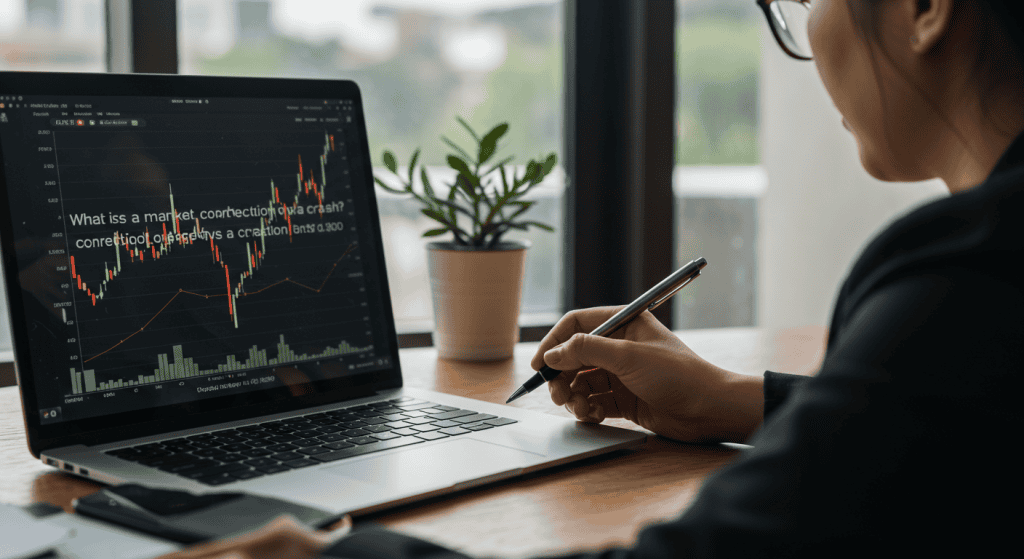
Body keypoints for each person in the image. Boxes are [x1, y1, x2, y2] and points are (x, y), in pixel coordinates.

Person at [158, 0, 1024, 557]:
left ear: (923, 9)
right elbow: (961, 422)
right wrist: (730, 396)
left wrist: (336, 555)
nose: (807, 39)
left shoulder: (967, 277)